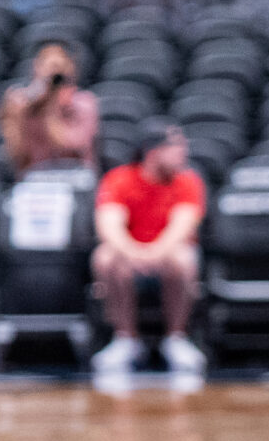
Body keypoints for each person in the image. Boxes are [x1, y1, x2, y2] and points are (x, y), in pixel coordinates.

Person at [89, 121, 209, 380]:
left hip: (167, 254)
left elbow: (183, 226)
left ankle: (176, 339)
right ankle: (126, 339)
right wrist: (134, 252)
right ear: (153, 152)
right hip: (130, 257)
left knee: (184, 258)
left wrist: (153, 253)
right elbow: (107, 225)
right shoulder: (119, 179)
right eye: (177, 146)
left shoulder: (188, 181)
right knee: (105, 256)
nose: (183, 153)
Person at [0, 42, 100, 176]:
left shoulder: (84, 103)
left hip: (74, 179)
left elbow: (73, 147)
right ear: (36, 68)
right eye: (48, 66)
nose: (52, 73)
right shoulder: (27, 105)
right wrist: (15, 119)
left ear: (71, 68)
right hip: (35, 181)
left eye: (58, 67)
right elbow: (16, 155)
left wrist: (50, 109)